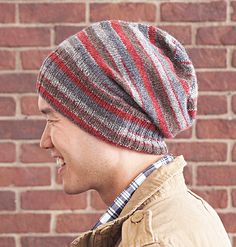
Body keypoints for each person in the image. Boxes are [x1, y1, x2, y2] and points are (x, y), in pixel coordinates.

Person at [37, 20, 231, 247]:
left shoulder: (153, 241)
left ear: (108, 122)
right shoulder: (175, 215)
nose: (44, 141)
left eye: (52, 120)